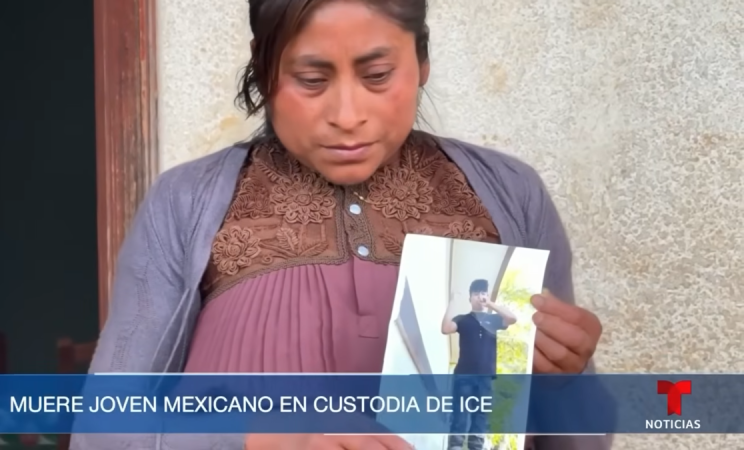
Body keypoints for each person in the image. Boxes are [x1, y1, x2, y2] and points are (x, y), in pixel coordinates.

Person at [73, 0, 611, 449]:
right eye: (312, 80)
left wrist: (565, 382)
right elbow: (104, 431)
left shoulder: (509, 193)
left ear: (421, 60)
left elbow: (579, 438)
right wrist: (269, 442)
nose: (347, 115)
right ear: (264, 69)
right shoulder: (186, 201)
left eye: (377, 76)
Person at [441, 279, 518, 450]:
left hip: (485, 376)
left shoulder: (494, 320)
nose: (480, 296)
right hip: (464, 375)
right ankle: (455, 446)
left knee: (481, 415)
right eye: (476, 294)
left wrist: (490, 303)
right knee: (460, 412)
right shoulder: (462, 319)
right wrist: (453, 301)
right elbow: (446, 328)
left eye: (483, 293)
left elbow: (512, 319)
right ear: (470, 298)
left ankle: (476, 446)